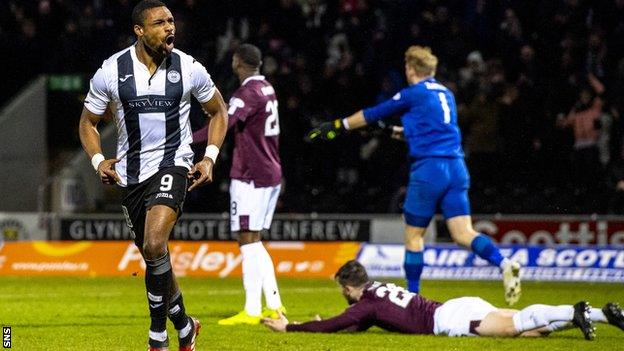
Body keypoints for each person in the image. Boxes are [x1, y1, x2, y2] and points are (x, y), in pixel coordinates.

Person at [306, 46, 522, 305]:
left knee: (413, 235)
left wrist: (339, 125)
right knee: (463, 233)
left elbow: (371, 114)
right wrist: (392, 131)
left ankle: (413, 298)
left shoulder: (413, 93)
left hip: (430, 170)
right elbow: (429, 131)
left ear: (410, 69)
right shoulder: (447, 94)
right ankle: (504, 263)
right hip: (456, 167)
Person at [78, 1, 228, 350]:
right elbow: (88, 122)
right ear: (140, 31)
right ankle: (185, 326)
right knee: (153, 257)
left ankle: (157, 337)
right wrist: (98, 159)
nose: (169, 28)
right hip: (130, 176)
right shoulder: (112, 70)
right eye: (159, 23)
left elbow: (218, 110)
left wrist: (209, 158)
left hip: (173, 164)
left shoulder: (189, 68)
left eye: (171, 21)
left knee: (155, 243)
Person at [262, 260, 624, 340]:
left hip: (450, 320)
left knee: (515, 326)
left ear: (346, 286)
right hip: (458, 305)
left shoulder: (366, 303)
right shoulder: (376, 291)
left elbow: (334, 325)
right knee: (532, 333)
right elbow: (355, 322)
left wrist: (290, 326)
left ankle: (574, 310)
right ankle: (602, 315)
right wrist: (344, 320)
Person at [194, 44, 286, 326]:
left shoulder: (247, 92)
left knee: (247, 240)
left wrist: (186, 140)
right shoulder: (266, 88)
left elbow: (225, 122)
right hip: (270, 172)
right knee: (254, 240)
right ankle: (273, 305)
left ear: (238, 62)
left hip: (251, 175)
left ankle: (252, 309)